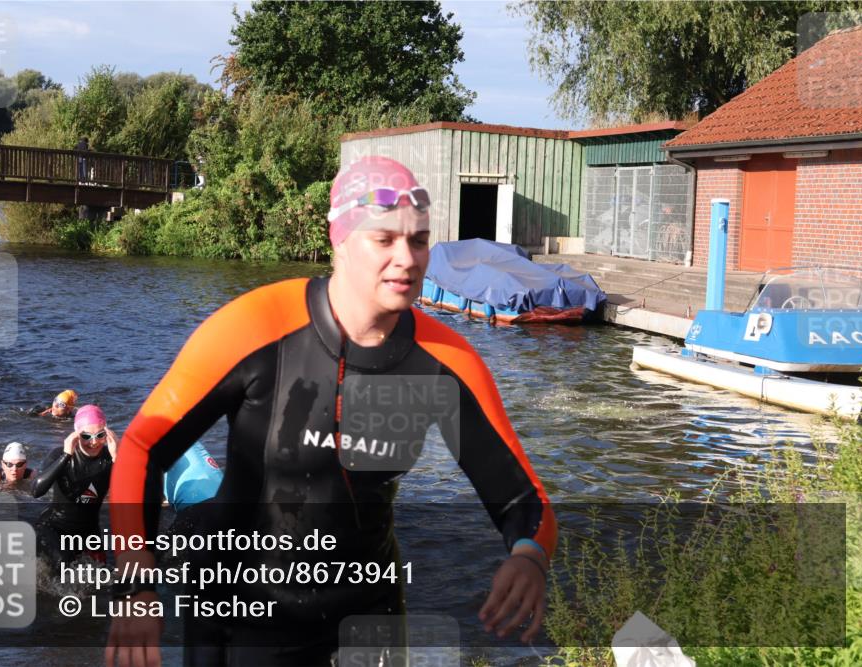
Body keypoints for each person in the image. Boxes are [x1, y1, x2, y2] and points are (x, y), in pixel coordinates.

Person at [106, 156, 557, 666]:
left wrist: (529, 557)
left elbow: (524, 501)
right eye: (384, 239)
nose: (407, 258)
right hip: (242, 615)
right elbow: (143, 447)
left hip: (368, 612)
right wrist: (135, 583)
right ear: (338, 239)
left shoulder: (444, 361)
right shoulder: (254, 327)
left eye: (419, 240)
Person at [32, 405, 119, 571]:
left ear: (107, 434)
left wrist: (117, 458)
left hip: (88, 530)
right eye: (86, 436)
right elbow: (36, 491)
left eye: (100, 435)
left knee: (102, 571)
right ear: (76, 434)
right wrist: (66, 456)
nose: (94, 442)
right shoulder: (59, 454)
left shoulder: (111, 457)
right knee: (63, 563)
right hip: (54, 527)